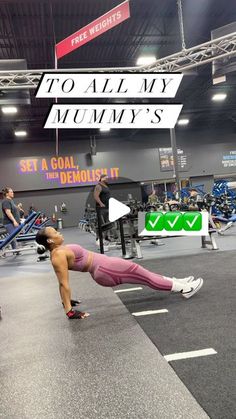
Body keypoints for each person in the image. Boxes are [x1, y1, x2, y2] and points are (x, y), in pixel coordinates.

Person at [35, 227, 204, 319]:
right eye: (56, 233)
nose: (60, 233)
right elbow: (63, 283)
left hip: (104, 267)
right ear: (50, 240)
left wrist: (67, 301)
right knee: (145, 276)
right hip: (105, 269)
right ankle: (184, 289)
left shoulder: (58, 250)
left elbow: (62, 282)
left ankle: (179, 282)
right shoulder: (57, 256)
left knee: (145, 275)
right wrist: (69, 310)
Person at [93, 174, 112, 248]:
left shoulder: (106, 186)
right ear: (102, 179)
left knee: (108, 224)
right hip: (101, 209)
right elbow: (95, 196)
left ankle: (106, 238)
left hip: (108, 207)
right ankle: (99, 239)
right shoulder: (98, 186)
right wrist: (101, 204)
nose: (107, 179)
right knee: (102, 225)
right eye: (106, 178)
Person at [1, 187, 21, 252]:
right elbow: (8, 213)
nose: (13, 193)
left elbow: (13, 211)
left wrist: (18, 207)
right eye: (11, 192)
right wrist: (14, 221)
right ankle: (15, 251)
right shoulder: (6, 201)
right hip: (9, 223)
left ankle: (16, 251)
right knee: (12, 238)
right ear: (7, 194)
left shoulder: (10, 201)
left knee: (13, 238)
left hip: (12, 222)